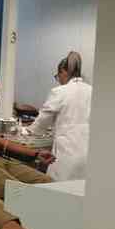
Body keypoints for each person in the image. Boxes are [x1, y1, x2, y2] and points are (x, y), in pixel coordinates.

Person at [27, 51, 92, 181]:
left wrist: (30, 130)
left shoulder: (59, 92)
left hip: (67, 154)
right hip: (88, 153)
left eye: (58, 76)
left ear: (63, 72)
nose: (59, 80)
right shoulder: (92, 90)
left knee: (59, 190)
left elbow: (42, 122)